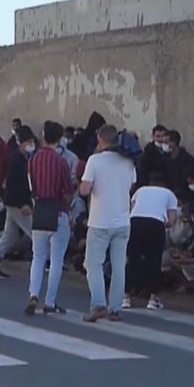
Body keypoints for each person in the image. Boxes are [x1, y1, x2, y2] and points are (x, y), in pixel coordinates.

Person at [80, 125, 138, 322]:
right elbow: (131, 185)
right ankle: (115, 308)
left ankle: (98, 305)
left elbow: (85, 190)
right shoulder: (129, 162)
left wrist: (80, 184)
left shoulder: (94, 160)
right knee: (119, 266)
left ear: (99, 138)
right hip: (122, 221)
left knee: (93, 264)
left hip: (99, 221)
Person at [25, 121, 74, 315]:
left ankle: (33, 294)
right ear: (60, 138)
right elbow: (68, 191)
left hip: (40, 211)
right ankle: (50, 301)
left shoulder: (33, 159)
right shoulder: (60, 161)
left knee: (38, 257)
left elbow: (31, 187)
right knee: (56, 260)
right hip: (58, 211)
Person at [0, 127, 36, 280]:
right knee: (36, 233)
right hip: (16, 203)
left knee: (10, 234)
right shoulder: (15, 160)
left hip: (15, 202)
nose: (32, 144)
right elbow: (14, 185)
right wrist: (24, 204)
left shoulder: (23, 159)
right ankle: (43, 264)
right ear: (21, 143)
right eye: (29, 142)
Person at [124, 172, 178, 311]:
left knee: (132, 260)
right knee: (154, 262)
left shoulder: (140, 191)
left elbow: (132, 208)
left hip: (135, 223)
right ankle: (153, 299)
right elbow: (171, 220)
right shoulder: (169, 194)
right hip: (156, 224)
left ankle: (125, 297)